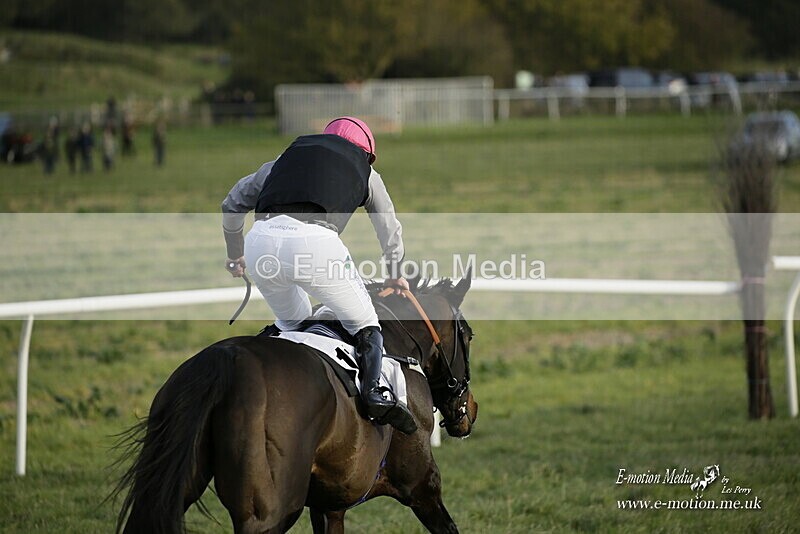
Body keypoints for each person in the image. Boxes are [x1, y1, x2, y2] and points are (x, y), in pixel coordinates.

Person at [221, 116, 416, 434]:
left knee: (296, 323)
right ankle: (373, 396)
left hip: (261, 241)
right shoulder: (366, 170)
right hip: (315, 245)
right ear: (366, 152)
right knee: (366, 323)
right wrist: (395, 273)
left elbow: (232, 203)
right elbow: (389, 228)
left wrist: (235, 253)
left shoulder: (285, 159)